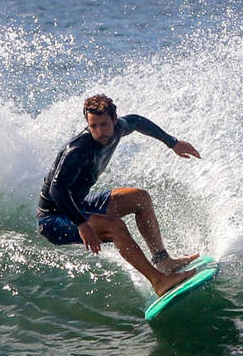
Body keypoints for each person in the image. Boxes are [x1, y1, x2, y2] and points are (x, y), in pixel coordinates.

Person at [37, 94, 201, 296]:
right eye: (93, 126)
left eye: (104, 124)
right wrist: (82, 224)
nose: (99, 131)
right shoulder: (77, 151)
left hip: (78, 204)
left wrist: (173, 143)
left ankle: (163, 261)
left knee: (140, 198)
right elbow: (57, 189)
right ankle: (159, 281)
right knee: (116, 227)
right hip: (54, 218)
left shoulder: (120, 128)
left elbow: (138, 121)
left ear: (114, 120)